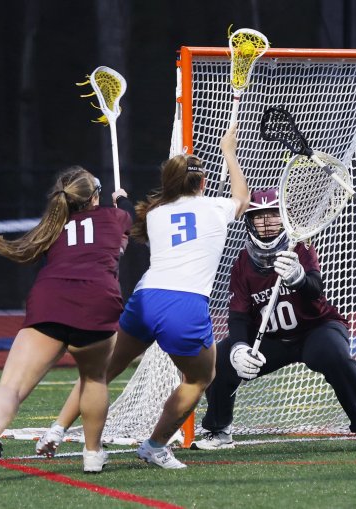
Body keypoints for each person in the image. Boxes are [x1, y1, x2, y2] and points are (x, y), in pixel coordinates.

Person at [35, 123, 248, 469]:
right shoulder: (217, 208)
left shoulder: (154, 213)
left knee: (99, 373)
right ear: (201, 183)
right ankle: (154, 446)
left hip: (145, 299)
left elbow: (130, 225)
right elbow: (243, 197)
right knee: (199, 378)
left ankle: (56, 430)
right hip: (184, 304)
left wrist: (120, 204)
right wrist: (229, 151)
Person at [190, 188, 356, 452]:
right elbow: (238, 314)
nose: (267, 223)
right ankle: (219, 431)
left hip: (314, 329)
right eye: (259, 217)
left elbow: (315, 289)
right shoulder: (242, 262)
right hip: (272, 339)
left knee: (335, 356)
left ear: (284, 217)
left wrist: (299, 278)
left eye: (273, 215)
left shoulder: (300, 246)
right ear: (249, 221)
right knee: (220, 359)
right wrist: (239, 347)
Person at [0, 167, 134, 482]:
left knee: (11, 387)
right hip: (96, 303)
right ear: (95, 197)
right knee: (94, 378)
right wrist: (122, 200)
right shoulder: (114, 217)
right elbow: (128, 217)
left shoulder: (53, 224)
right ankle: (91, 454)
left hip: (51, 301)